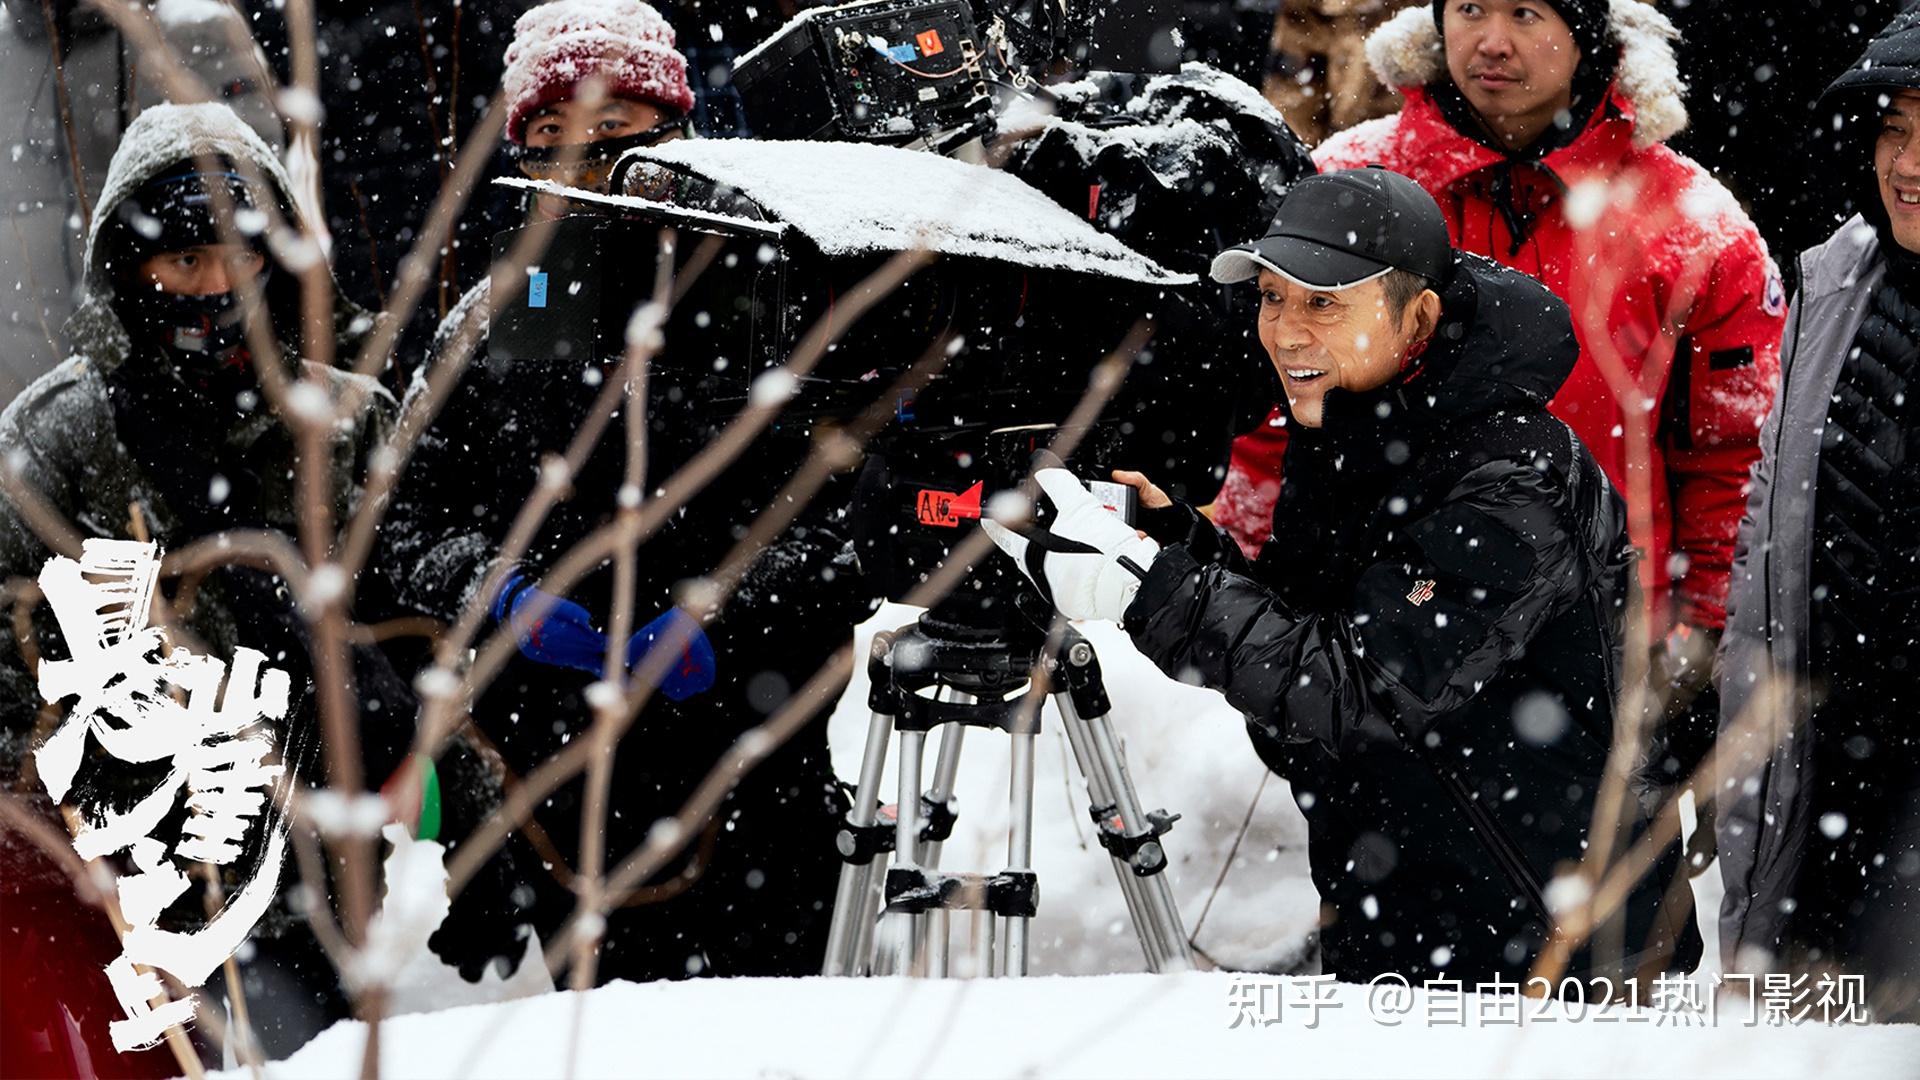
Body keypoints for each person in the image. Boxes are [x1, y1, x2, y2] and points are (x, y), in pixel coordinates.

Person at [987, 167, 1701, 987]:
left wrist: (1154, 591)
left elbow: (1357, 688)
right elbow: (1305, 651)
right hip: (1398, 921)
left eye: (1322, 302)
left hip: (1559, 952)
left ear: (1419, 316)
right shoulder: (1350, 423)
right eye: (1271, 297)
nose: (1286, 332)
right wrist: (1172, 543)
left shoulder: (1515, 476)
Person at [379, 0, 869, 986]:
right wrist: (506, 601)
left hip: (759, 770)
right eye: (550, 138)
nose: (582, 166)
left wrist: (721, 621)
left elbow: (857, 518)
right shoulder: (490, 321)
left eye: (612, 133)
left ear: (675, 134)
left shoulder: (771, 285)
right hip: (566, 787)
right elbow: (401, 532)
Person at [0, 102, 502, 1061]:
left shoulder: (348, 418)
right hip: (128, 879)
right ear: (128, 268)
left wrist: (470, 819)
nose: (216, 286)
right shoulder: (57, 436)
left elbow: (414, 631)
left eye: (240, 255)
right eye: (183, 261)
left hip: (321, 862)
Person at [1216, 0, 1785, 815]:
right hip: (1374, 655)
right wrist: (1262, 608)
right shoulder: (1343, 186)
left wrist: (1699, 648)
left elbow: (1737, 462)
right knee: (1381, 906)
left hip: (1598, 663)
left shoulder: (1693, 228)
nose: (1490, 42)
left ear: (1589, 28)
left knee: (1595, 931)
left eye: (1526, 11)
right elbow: (1266, 416)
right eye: (1471, 8)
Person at [1716, 6, 1920, 1023]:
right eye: (1896, 127)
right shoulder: (1837, 278)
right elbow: (1771, 537)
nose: (1909, 164)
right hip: (1828, 771)